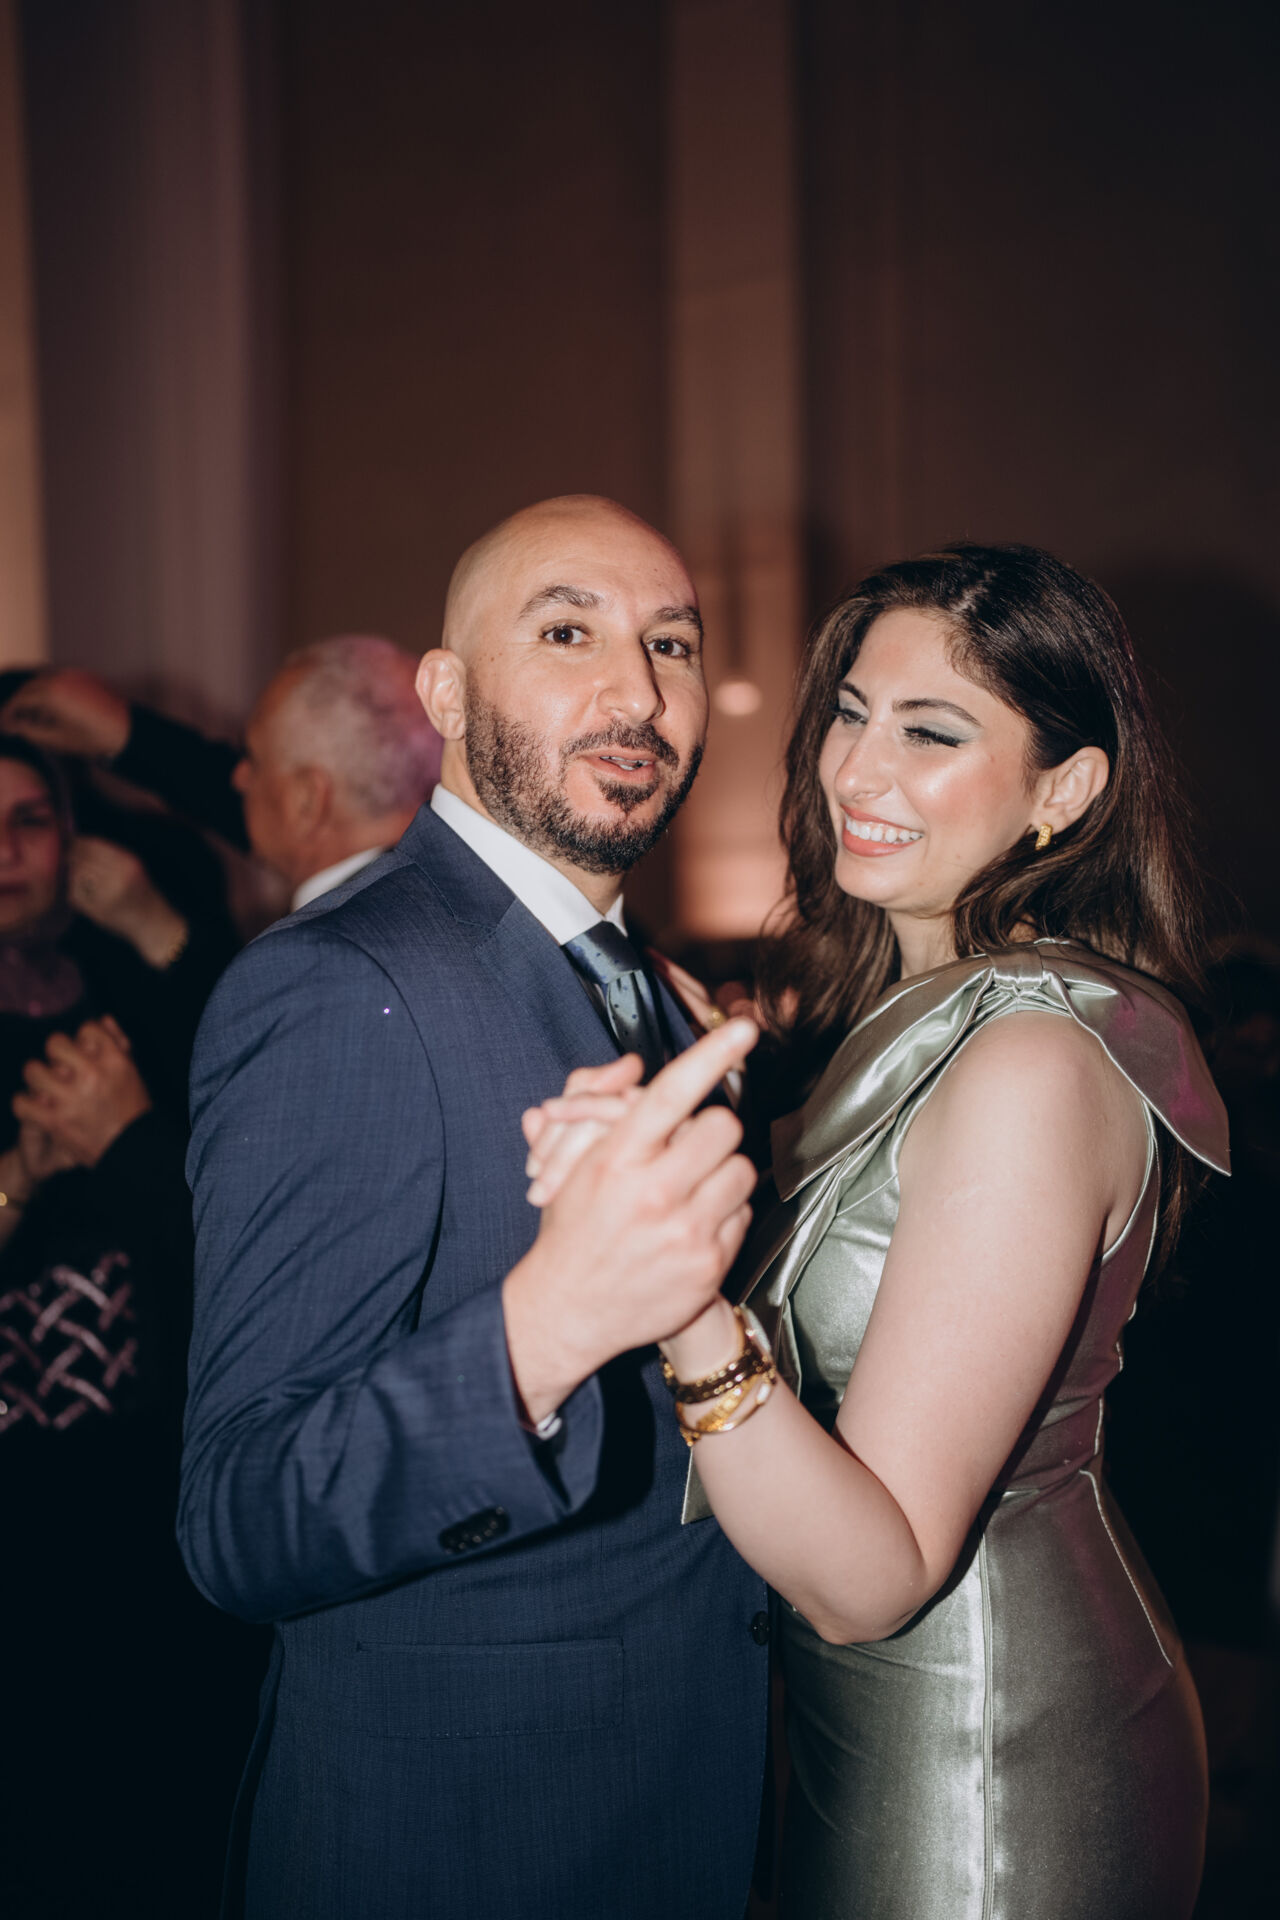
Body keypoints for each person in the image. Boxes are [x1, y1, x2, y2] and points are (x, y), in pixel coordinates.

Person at [525, 544, 1230, 1919]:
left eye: (931, 731)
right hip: (875, 1726)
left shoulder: (1027, 1060)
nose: (856, 769)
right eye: (850, 713)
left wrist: (680, 1294)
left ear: (1065, 790)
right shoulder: (909, 1015)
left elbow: (870, 1581)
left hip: (988, 1758)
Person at [176, 495, 770, 1920]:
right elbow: (238, 1517)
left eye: (671, 645)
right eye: (567, 633)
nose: (639, 693)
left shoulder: (641, 981)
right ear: (444, 694)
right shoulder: (339, 984)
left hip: (678, 1808)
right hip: (462, 1844)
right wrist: (540, 1332)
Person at [0, 733, 252, 1918]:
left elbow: (242, 1174)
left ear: (72, 840)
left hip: (158, 1483)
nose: (5, 853)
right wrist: (23, 1177)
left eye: (28, 821)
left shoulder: (127, 979)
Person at [1, 633, 442, 909]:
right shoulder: (450, 901)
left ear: (308, 800)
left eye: (254, 760)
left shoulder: (322, 955)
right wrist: (128, 735)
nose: (238, 777)